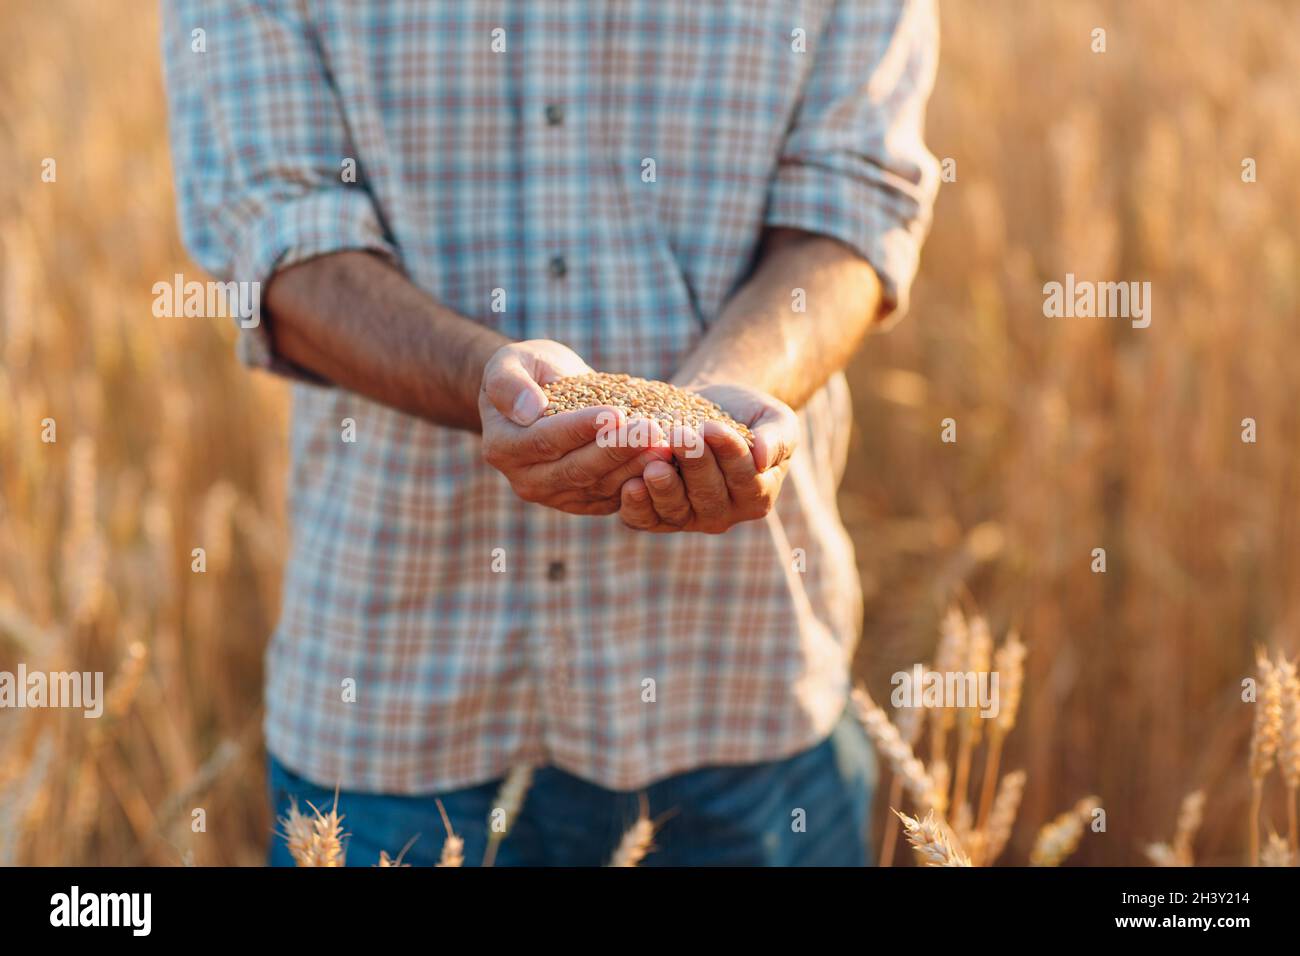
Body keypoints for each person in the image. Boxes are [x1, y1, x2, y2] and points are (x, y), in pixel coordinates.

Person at [163, 0, 939, 866]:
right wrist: (480, 377)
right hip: (395, 703)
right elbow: (273, 230)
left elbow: (854, 201)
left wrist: (726, 406)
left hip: (744, 680)